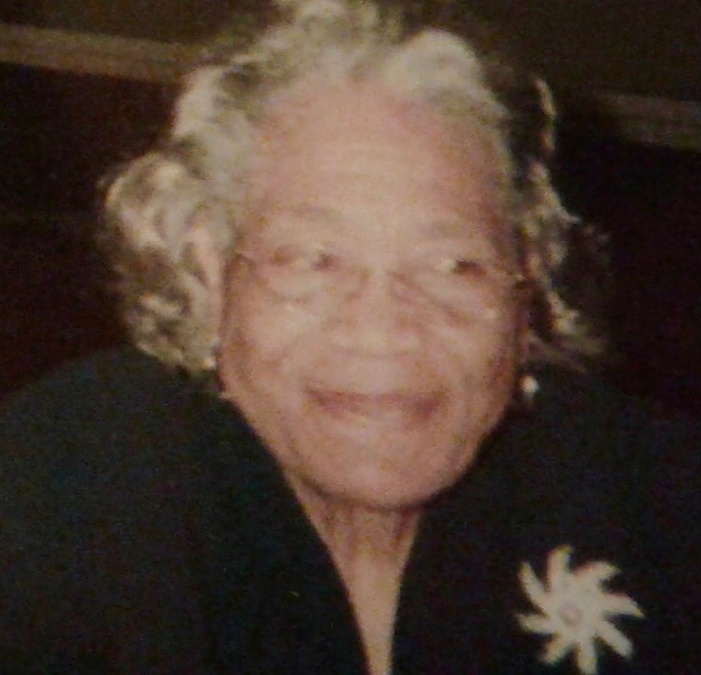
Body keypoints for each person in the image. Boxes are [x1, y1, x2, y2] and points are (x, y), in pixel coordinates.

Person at [1, 1, 699, 672]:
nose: (382, 328)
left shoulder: (655, 495)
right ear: (212, 272)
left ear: (525, 286)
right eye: (313, 259)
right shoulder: (65, 478)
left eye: (453, 265)